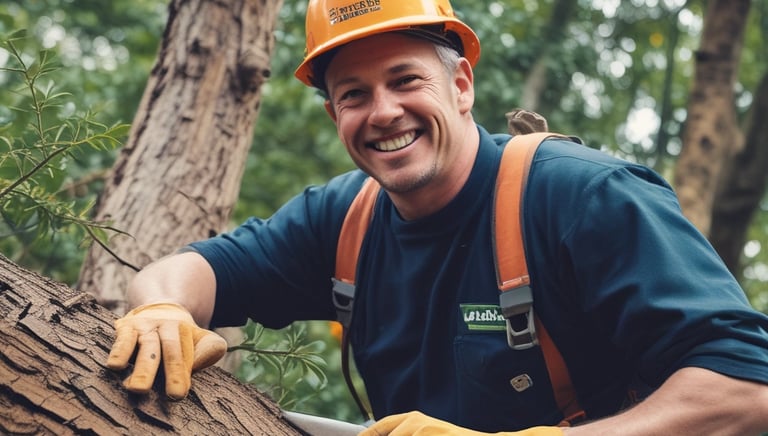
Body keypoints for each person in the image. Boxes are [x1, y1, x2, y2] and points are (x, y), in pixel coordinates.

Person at [105, 0, 768, 434]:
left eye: (405, 80)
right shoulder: (342, 219)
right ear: (335, 115)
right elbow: (192, 271)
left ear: (461, 86)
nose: (384, 112)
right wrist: (161, 308)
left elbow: (746, 387)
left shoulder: (582, 197)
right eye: (354, 95)